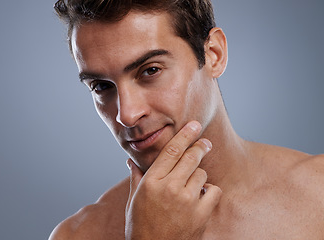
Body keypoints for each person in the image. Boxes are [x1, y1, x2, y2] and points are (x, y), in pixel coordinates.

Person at [49, 0, 324, 239]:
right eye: (101, 86)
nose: (128, 115)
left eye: (150, 70)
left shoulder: (318, 194)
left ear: (213, 55)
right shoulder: (76, 235)